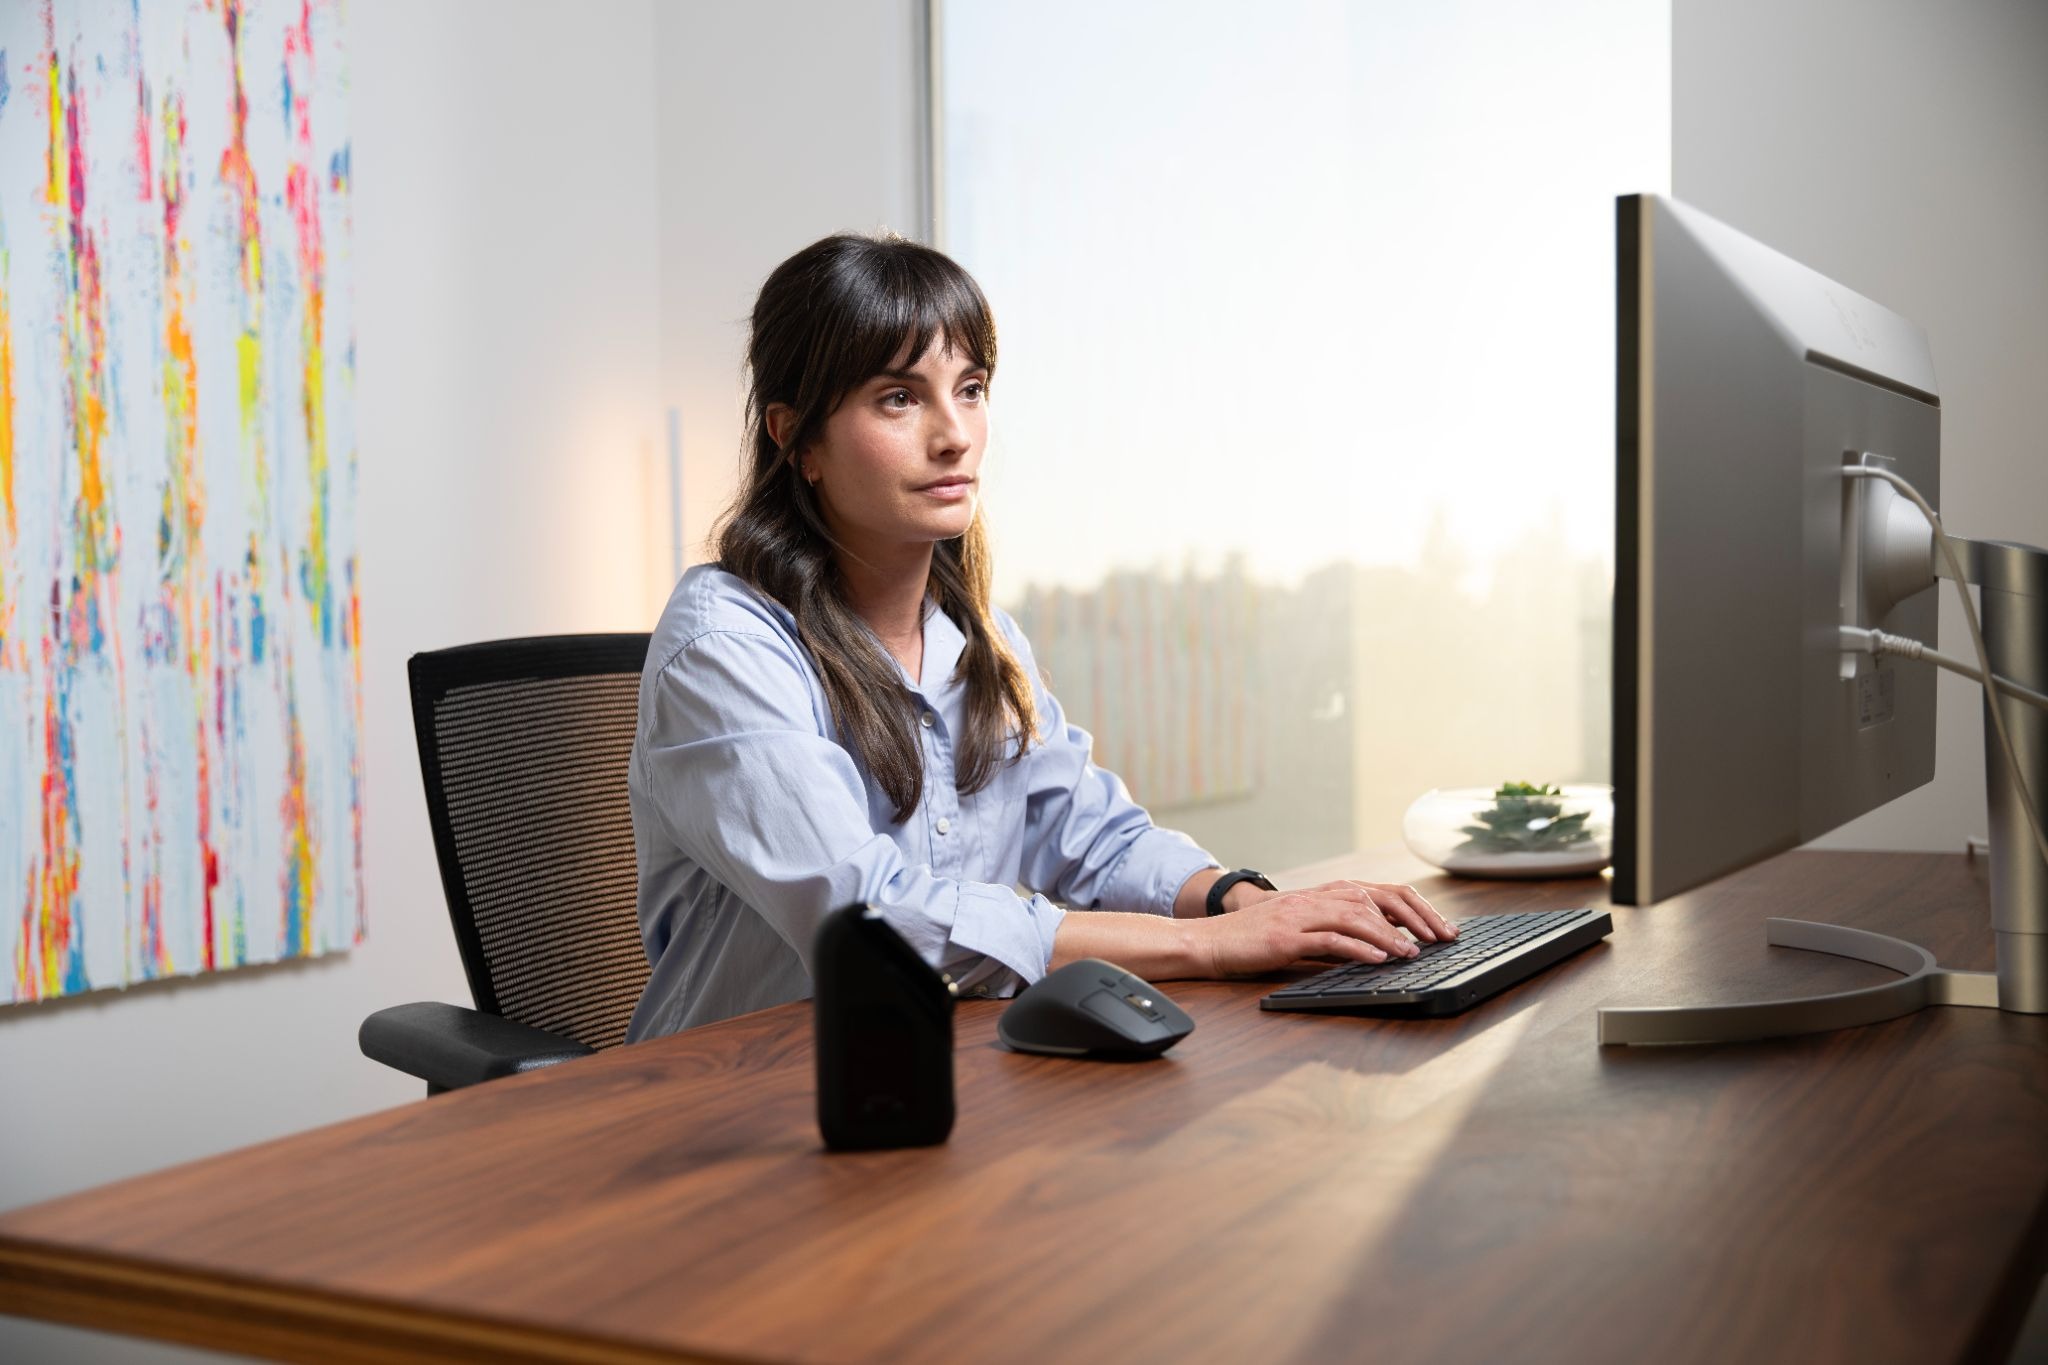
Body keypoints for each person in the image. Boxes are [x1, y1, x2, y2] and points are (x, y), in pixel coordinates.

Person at [624, 233, 1454, 1041]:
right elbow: (868, 915)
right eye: (899, 397)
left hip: (944, 1076)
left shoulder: (979, 640)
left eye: (972, 387)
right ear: (795, 436)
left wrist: (1246, 902)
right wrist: (1212, 947)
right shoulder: (724, 646)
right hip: (735, 1109)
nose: (954, 434)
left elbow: (1090, 834)